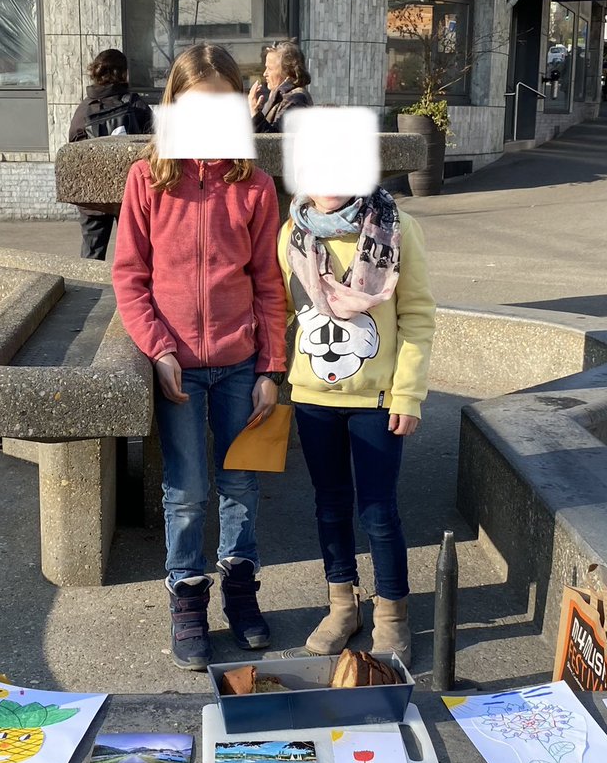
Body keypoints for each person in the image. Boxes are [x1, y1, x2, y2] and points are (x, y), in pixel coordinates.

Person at [112, 44, 289, 672]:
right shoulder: (147, 179)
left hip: (242, 363)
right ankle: (187, 599)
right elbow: (130, 278)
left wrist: (271, 367)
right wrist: (157, 349)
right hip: (178, 367)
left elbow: (269, 284)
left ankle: (241, 591)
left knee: (241, 482)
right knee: (185, 491)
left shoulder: (256, 185)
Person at [278, 188, 436, 667]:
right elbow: (282, 309)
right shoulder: (293, 232)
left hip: (377, 400)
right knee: (329, 507)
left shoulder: (398, 228)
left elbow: (417, 317)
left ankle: (391, 614)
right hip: (312, 397)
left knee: (378, 512)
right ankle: (342, 606)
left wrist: (408, 394)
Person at [69, 49, 154, 261]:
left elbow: (74, 150)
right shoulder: (135, 105)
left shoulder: (84, 109)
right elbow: (153, 144)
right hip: (129, 192)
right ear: (123, 73)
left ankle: (86, 291)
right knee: (135, 251)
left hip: (92, 197)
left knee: (91, 253)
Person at [249, 40, 314, 133]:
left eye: (270, 69)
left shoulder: (296, 100)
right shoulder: (280, 97)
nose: (264, 74)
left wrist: (255, 113)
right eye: (265, 68)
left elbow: (275, 143)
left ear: (287, 71)